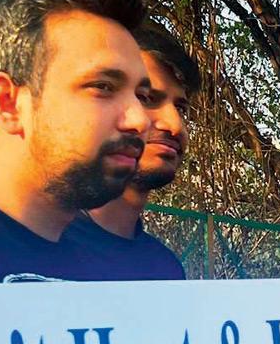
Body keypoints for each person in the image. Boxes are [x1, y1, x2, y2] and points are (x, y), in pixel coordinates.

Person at [0, 0, 152, 282]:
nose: (140, 120)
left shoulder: (111, 274)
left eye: (141, 95)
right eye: (102, 87)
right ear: (8, 103)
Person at [63, 21, 198, 280]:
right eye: (146, 98)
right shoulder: (29, 254)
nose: (174, 125)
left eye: (181, 108)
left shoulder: (165, 270)